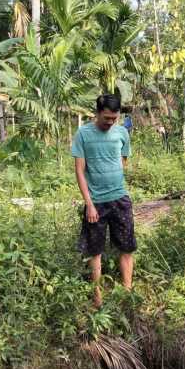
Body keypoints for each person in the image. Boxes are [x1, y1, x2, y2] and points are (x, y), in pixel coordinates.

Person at [72, 94, 136, 306]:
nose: (110, 122)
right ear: (97, 113)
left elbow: (123, 160)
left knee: (127, 247)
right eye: (107, 118)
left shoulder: (122, 132)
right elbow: (79, 171)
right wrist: (89, 204)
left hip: (120, 199)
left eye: (114, 118)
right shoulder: (83, 134)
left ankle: (128, 291)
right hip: (96, 203)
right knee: (95, 250)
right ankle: (97, 295)